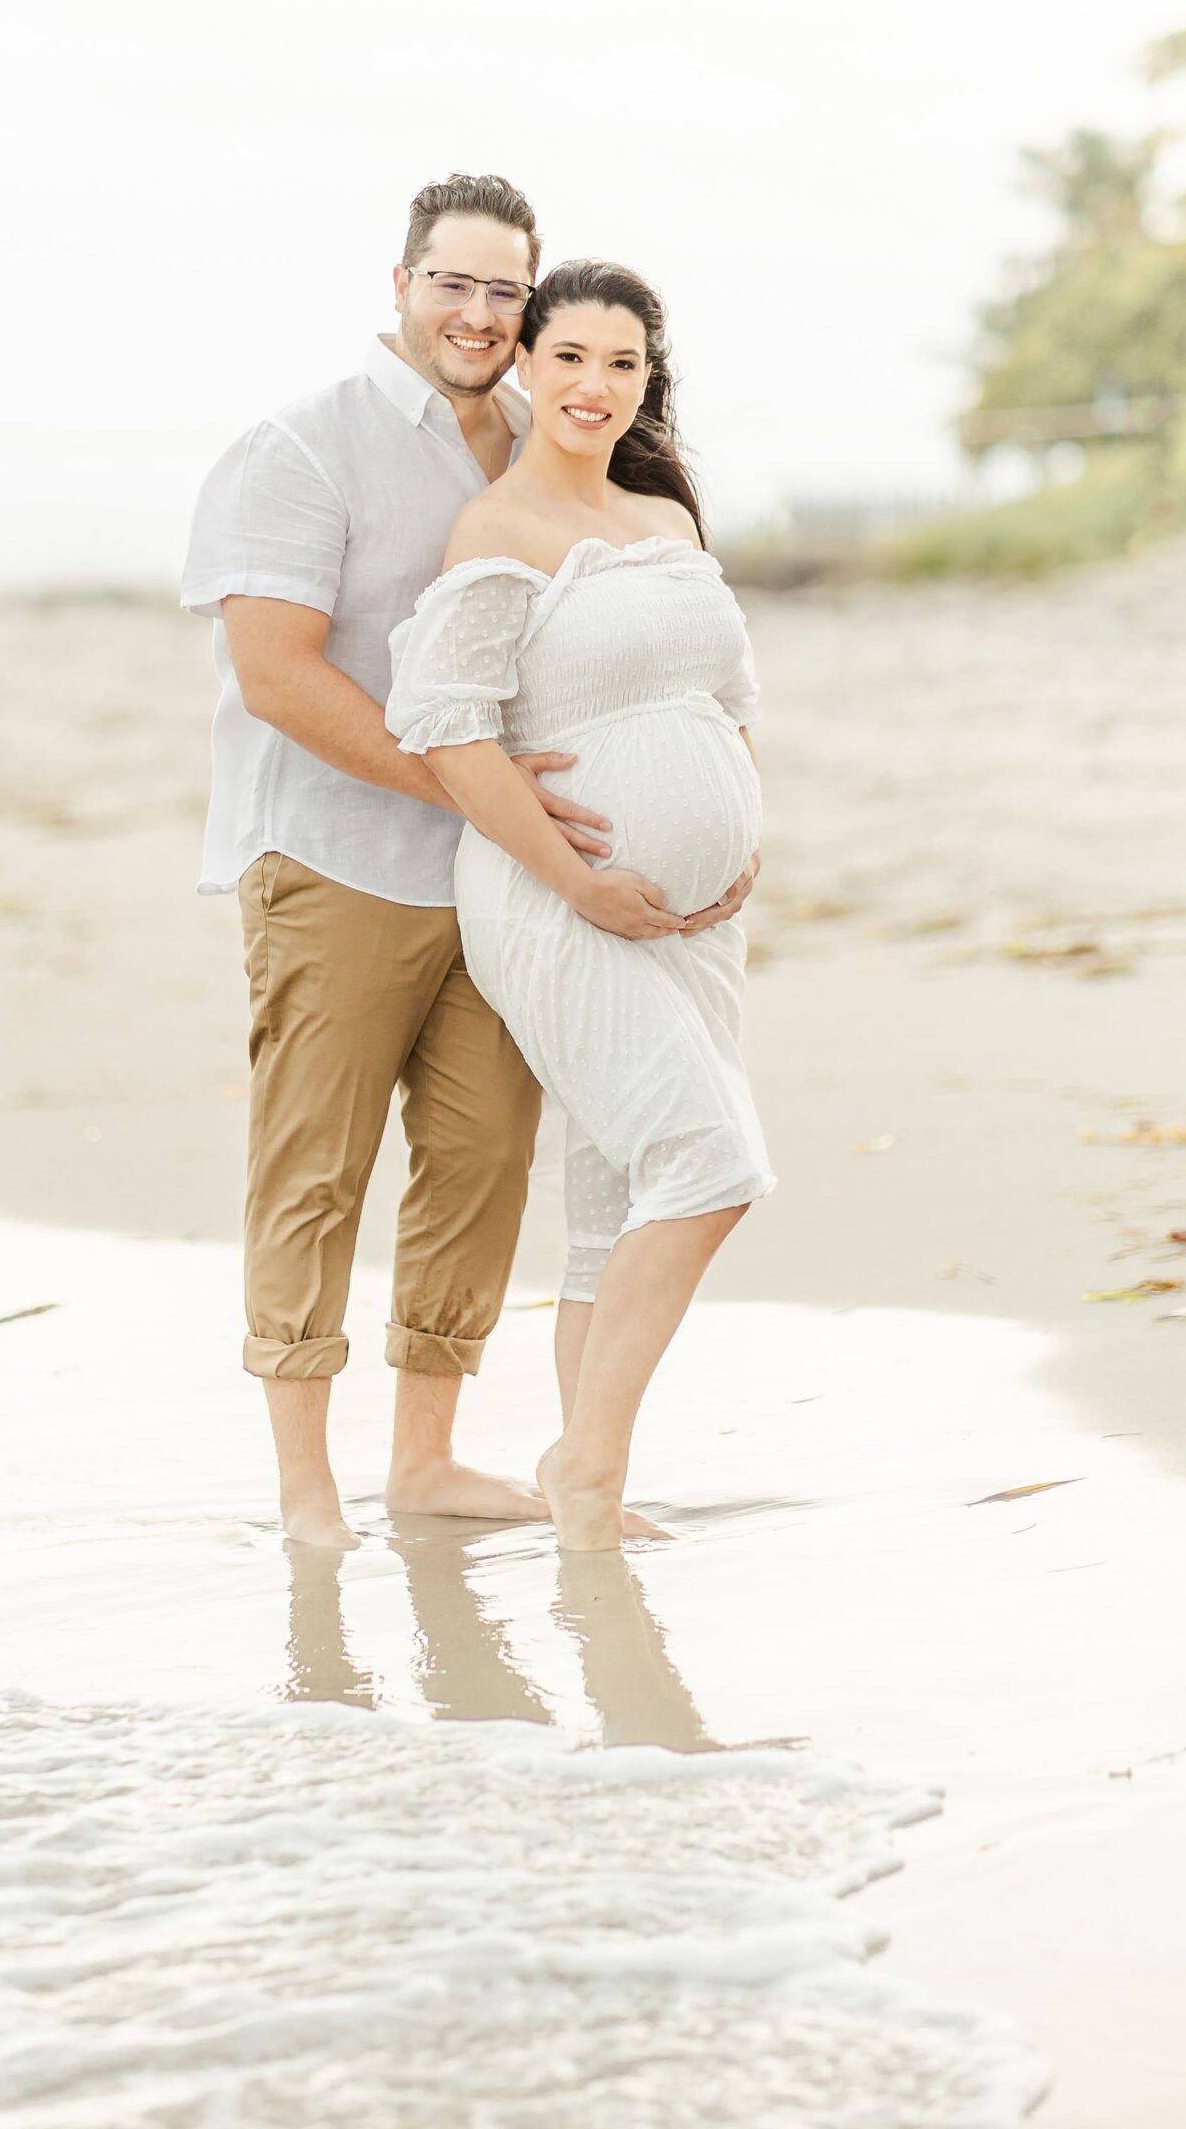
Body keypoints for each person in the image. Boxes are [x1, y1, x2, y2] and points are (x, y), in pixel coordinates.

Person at [180, 173, 618, 1548]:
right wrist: (465, 784)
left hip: (497, 880)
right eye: (455, 281)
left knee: (485, 1156)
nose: (479, 313)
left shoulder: (550, 442)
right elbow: (274, 674)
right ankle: (307, 1485)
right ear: (402, 283)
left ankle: (423, 1458)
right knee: (316, 1169)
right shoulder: (305, 448)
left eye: (504, 290)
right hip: (337, 859)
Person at [385, 258, 771, 1550]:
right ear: (526, 364)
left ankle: (587, 1501)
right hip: (554, 908)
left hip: (694, 922)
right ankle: (587, 1462)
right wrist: (583, 883)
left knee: (613, 1207)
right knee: (711, 1163)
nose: (593, 386)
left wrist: (737, 830)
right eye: (569, 358)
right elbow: (448, 734)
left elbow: (725, 702)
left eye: (622, 363)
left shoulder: (666, 523)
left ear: (647, 381)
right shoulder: (495, 534)